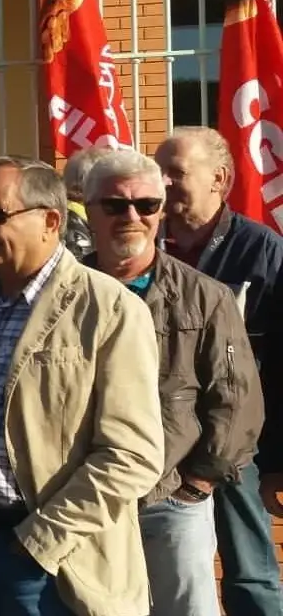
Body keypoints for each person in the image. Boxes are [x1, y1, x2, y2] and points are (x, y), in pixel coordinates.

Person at [0, 155, 163, 615]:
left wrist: (40, 540)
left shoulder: (108, 307)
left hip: (50, 563)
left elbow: (132, 455)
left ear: (50, 221)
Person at [80, 148, 262, 616]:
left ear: (161, 210)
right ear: (88, 207)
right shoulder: (60, 292)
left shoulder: (205, 296)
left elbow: (236, 398)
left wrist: (196, 485)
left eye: (146, 205)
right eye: (115, 205)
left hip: (170, 499)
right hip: (80, 500)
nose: (132, 217)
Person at [155, 127, 283, 616]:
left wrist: (275, 459)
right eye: (158, 171)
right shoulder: (147, 248)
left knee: (250, 572)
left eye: (177, 172)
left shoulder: (262, 251)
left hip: (236, 448)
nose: (163, 183)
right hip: (161, 442)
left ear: (220, 180)